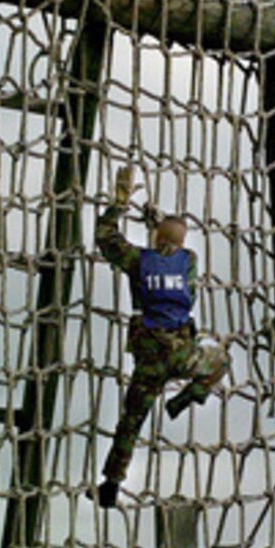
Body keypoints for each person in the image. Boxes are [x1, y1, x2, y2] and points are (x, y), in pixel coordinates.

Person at [89, 166, 229, 508]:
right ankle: (184, 399)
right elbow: (174, 249)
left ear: (155, 240)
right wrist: (160, 224)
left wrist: (119, 205)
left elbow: (105, 237)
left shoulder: (138, 261)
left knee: (132, 420)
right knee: (222, 359)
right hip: (184, 353)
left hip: (149, 356)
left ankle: (111, 483)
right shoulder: (189, 262)